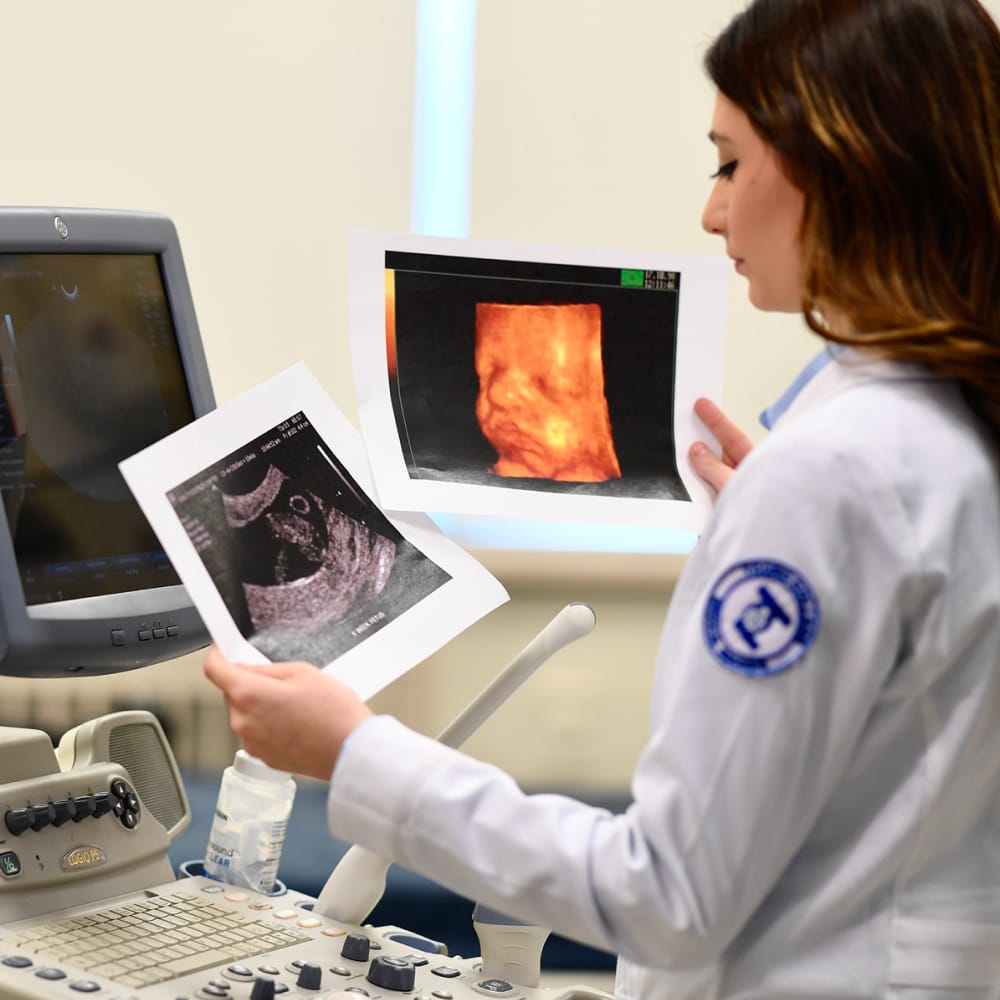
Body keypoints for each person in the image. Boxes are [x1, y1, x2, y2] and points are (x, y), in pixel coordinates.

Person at [204, 0, 1000, 995]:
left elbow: (662, 894)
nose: (711, 213)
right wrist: (794, 523)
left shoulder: (836, 476)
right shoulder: (949, 433)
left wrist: (356, 750)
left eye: (728, 164)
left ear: (843, 165)